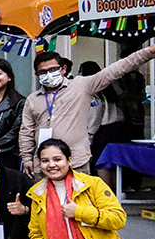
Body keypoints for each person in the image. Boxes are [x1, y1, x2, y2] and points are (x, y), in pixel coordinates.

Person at [19, 44, 155, 174]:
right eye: (43, 72)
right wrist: (26, 159)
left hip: (76, 162)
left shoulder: (82, 86)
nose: (48, 74)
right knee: (44, 198)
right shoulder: (33, 99)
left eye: (53, 70)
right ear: (37, 74)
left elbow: (116, 70)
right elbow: (26, 132)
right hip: (43, 164)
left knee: (78, 198)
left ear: (63, 69)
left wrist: (149, 52)